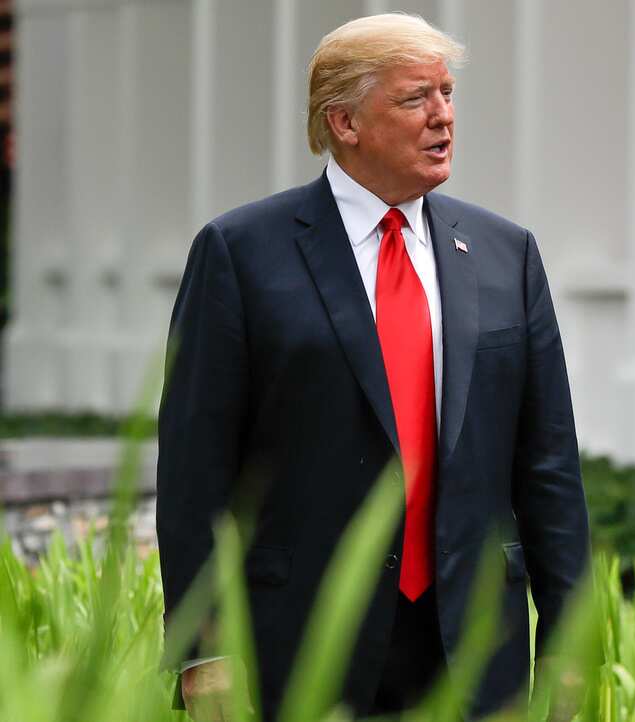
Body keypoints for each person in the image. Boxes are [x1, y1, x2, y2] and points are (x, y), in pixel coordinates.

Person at [157, 13, 589, 721]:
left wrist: (567, 648)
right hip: (302, 647)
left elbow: (548, 468)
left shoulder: (506, 255)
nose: (443, 117)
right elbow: (194, 471)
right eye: (416, 98)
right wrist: (204, 652)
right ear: (345, 122)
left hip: (474, 650)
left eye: (448, 95)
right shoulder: (241, 253)